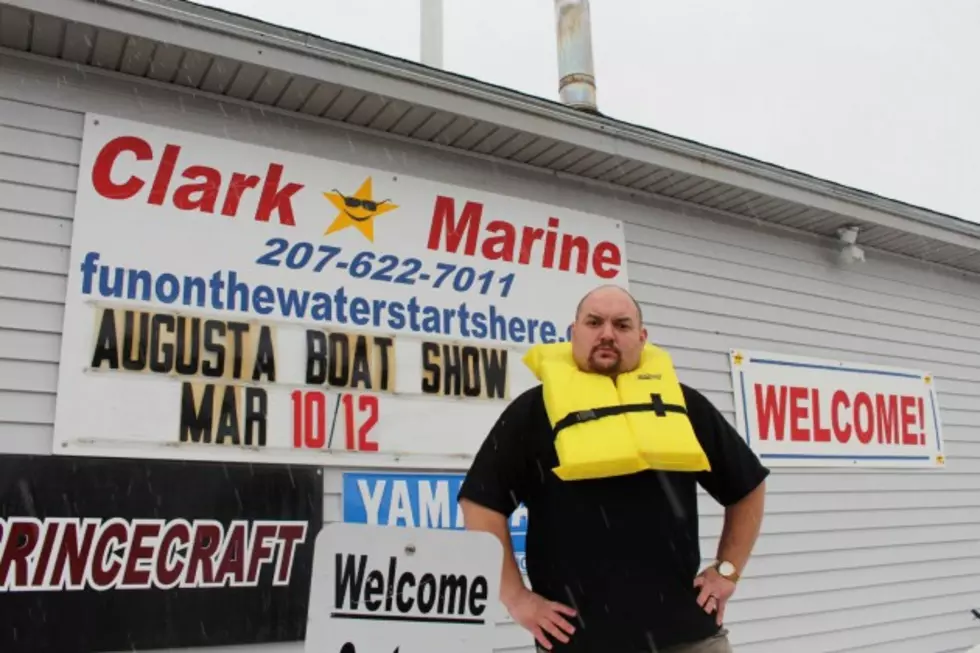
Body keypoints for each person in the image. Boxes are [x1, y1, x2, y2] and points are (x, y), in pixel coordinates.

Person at [457, 284, 769, 653]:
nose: (607, 333)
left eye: (621, 325)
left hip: (688, 635)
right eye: (594, 322)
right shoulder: (532, 412)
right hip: (578, 641)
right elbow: (480, 504)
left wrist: (727, 570)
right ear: (574, 332)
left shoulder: (682, 405)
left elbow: (748, 486)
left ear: (642, 336)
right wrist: (516, 598)